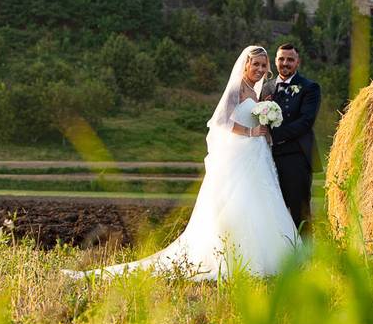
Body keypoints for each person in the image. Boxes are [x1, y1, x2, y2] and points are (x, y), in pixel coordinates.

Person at [64, 46, 299, 281]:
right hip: (243, 152)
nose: (259, 68)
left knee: (261, 200)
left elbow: (250, 116)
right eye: (255, 64)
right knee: (240, 202)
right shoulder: (237, 87)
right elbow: (221, 122)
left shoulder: (256, 90)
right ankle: (237, 257)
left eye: (262, 64)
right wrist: (251, 132)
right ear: (245, 65)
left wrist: (264, 128)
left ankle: (273, 257)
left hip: (257, 153)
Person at [261, 44, 322, 237]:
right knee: (271, 209)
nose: (285, 63)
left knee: (299, 210)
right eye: (281, 59)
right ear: (275, 61)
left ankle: (306, 258)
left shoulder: (309, 87)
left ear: (298, 62)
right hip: (267, 157)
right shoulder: (265, 88)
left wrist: (274, 136)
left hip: (296, 157)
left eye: (290, 59)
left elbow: (306, 122)